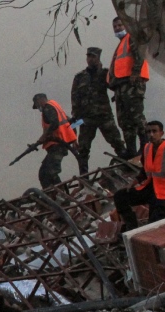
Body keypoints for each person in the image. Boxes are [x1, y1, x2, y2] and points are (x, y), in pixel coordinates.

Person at [72, 46, 125, 174]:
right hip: (86, 119)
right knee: (83, 149)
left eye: (93, 56)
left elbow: (114, 86)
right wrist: (75, 118)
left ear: (98, 58)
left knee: (117, 143)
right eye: (88, 56)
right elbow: (75, 98)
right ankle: (84, 178)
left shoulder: (104, 73)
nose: (90, 59)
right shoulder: (80, 77)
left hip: (104, 116)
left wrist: (103, 71)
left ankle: (126, 166)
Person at [109, 15, 150, 159]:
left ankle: (145, 146)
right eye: (115, 27)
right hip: (121, 86)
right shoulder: (120, 45)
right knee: (125, 121)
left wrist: (135, 72)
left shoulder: (131, 38)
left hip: (132, 83)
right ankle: (131, 151)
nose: (117, 28)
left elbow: (140, 54)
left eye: (120, 25)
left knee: (136, 117)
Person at [114, 120, 165, 231]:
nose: (151, 134)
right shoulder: (147, 148)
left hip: (163, 194)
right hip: (150, 188)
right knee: (120, 196)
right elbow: (145, 170)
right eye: (148, 132)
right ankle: (131, 227)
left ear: (162, 133)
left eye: (154, 131)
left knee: (153, 226)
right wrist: (134, 182)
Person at [31, 93, 78, 188]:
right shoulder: (56, 107)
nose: (38, 108)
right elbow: (72, 123)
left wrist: (43, 137)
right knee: (44, 172)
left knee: (50, 172)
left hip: (57, 145)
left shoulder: (48, 108)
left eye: (37, 105)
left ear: (39, 100)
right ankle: (53, 193)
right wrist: (74, 139)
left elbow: (54, 124)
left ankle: (58, 194)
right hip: (59, 145)